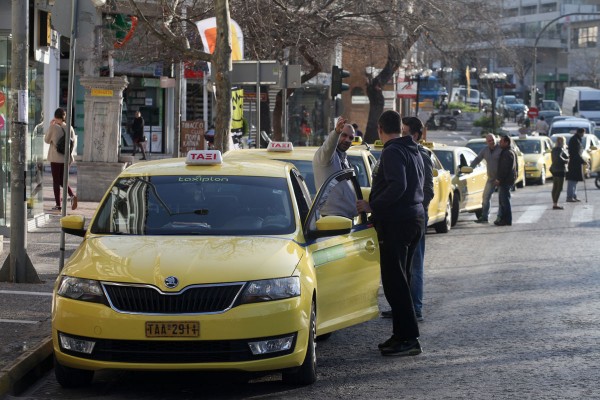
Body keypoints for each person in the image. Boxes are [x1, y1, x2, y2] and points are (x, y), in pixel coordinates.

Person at [356, 110, 424, 357]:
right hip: (413, 219)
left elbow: (399, 185)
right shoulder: (412, 149)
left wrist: (373, 205)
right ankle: (401, 335)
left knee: (396, 283)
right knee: (401, 280)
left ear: (380, 130)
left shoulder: (393, 151)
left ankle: (409, 338)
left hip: (397, 222)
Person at [404, 116, 432, 322]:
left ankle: (416, 307)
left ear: (414, 135)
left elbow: (427, 191)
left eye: (404, 132)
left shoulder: (422, 155)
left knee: (415, 264)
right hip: (405, 217)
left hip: (416, 218)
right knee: (403, 265)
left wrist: (415, 210)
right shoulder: (403, 152)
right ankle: (404, 305)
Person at [312, 117, 357, 218]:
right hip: (331, 219)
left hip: (346, 219)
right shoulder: (326, 157)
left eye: (351, 137)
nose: (347, 140)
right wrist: (336, 132)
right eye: (344, 135)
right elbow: (328, 147)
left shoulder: (343, 157)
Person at [44, 107, 77, 211]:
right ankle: (71, 195)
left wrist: (50, 126)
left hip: (55, 158)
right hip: (66, 158)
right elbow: (73, 144)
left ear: (55, 116)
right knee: (63, 180)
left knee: (56, 182)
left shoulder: (53, 127)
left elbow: (46, 140)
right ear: (64, 117)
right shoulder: (70, 128)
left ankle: (58, 205)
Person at [470, 134, 502, 223]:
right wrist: (470, 168)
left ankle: (500, 217)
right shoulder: (485, 150)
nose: (491, 142)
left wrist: (500, 178)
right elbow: (477, 159)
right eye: (489, 141)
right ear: (486, 142)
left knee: (502, 199)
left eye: (492, 140)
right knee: (485, 198)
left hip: (501, 178)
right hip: (491, 178)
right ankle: (484, 217)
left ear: (495, 139)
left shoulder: (501, 149)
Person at [494, 135, 517, 226]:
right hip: (508, 180)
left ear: (507, 142)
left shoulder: (507, 153)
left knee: (504, 201)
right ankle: (504, 219)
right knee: (504, 201)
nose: (500, 143)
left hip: (505, 181)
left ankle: (506, 220)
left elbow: (505, 168)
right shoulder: (510, 151)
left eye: (501, 142)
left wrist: (499, 179)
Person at [566, 128, 586, 202]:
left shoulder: (577, 139)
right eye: (583, 133)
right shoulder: (575, 140)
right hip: (573, 163)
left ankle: (574, 195)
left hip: (576, 162)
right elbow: (575, 153)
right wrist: (582, 161)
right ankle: (569, 196)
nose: (583, 135)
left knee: (575, 180)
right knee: (572, 180)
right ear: (581, 133)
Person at [550, 136, 569, 209]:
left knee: (555, 187)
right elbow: (559, 158)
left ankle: (554, 203)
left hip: (554, 169)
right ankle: (555, 204)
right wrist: (566, 160)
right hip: (560, 169)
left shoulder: (554, 149)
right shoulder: (560, 149)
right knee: (559, 188)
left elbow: (555, 158)